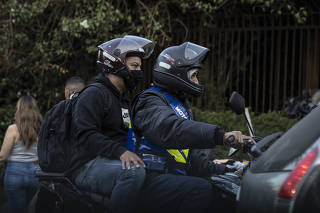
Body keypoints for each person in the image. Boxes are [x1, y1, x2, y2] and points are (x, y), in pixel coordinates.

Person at [129, 42, 252, 213]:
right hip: (149, 179)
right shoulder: (150, 101)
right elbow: (170, 129)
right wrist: (222, 136)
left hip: (172, 177)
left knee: (224, 193)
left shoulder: (181, 107)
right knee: (200, 190)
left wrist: (231, 168)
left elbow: (195, 164)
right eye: (193, 75)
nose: (196, 80)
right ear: (176, 74)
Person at [68, 35, 155, 212]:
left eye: (140, 67)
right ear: (116, 65)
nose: (139, 72)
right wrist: (121, 152)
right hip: (86, 165)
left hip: (110, 163)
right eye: (134, 66)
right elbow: (85, 135)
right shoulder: (94, 94)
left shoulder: (123, 99)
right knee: (133, 172)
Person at [0, 96, 42, 213]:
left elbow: (2, 156)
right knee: (33, 209)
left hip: (14, 174)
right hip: (36, 173)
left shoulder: (12, 129)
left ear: (19, 109)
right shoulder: (41, 128)